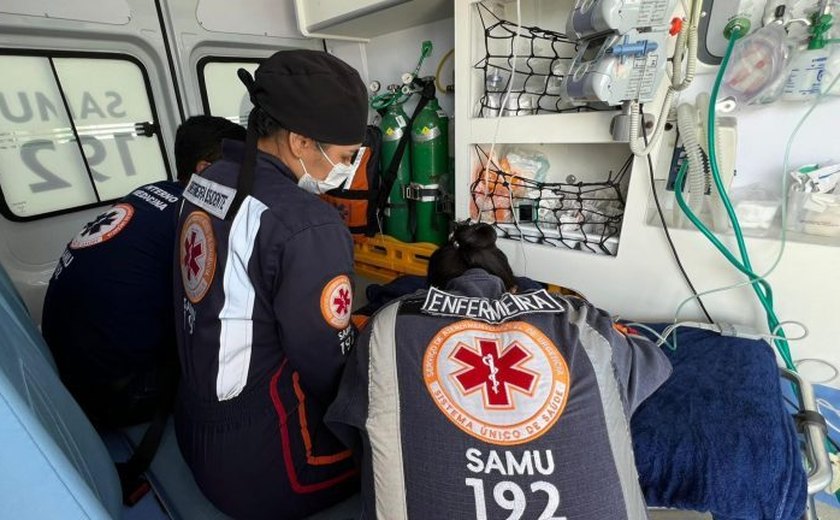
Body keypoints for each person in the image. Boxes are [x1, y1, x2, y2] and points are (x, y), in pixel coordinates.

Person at [326, 222, 673, 520]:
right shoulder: (579, 322)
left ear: (431, 290)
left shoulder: (388, 326)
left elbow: (351, 426)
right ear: (512, 287)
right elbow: (654, 363)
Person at [172, 50, 367, 519]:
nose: (350, 170)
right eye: (343, 157)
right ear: (300, 140)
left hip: (193, 424)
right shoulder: (306, 223)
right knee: (409, 451)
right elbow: (329, 366)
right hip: (263, 460)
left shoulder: (206, 181)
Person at [41, 116, 246, 427]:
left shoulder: (149, 192)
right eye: (241, 172)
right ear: (205, 171)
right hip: (114, 393)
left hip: (63, 368)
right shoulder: (196, 222)